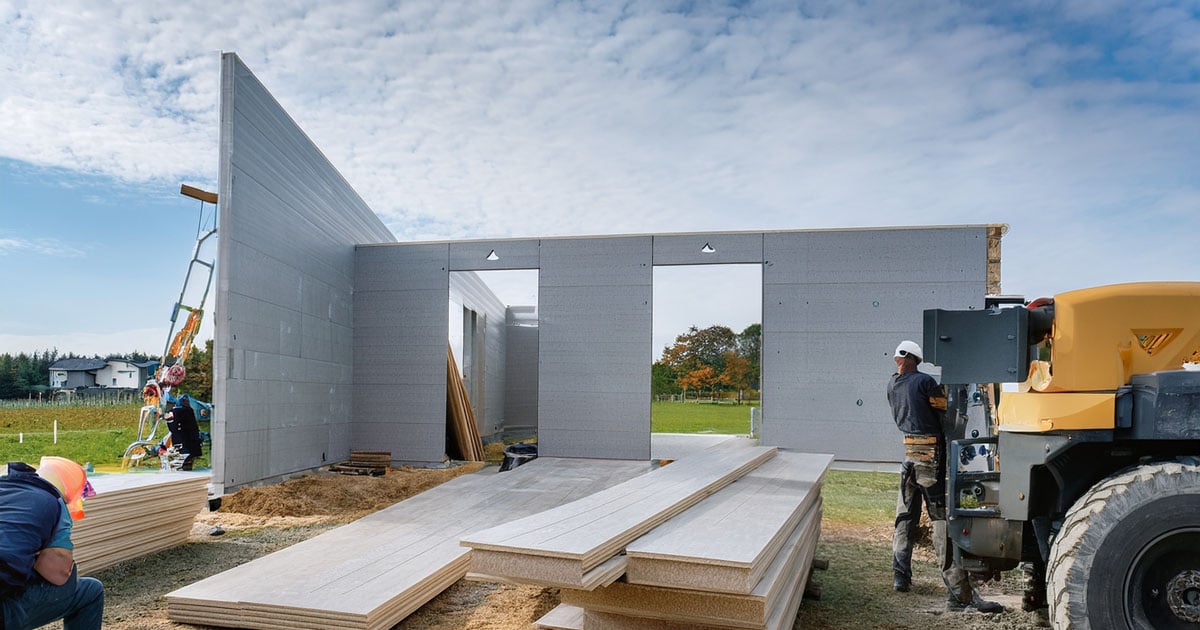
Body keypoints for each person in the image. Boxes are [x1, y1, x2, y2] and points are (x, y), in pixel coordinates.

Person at [887, 340, 1003, 613]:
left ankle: (900, 577)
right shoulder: (925, 383)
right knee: (941, 522)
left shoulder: (892, 384)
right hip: (930, 460)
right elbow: (948, 413)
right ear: (915, 359)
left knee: (905, 518)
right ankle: (958, 595)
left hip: (909, 459)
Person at [0, 456, 104, 630]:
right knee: (90, 591)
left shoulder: (4, 488)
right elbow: (58, 574)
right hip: (4, 610)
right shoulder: (54, 501)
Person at [166, 394, 203, 470]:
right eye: (185, 401)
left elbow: (171, 425)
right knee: (187, 455)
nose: (187, 402)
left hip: (183, 439)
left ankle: (183, 466)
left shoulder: (175, 411)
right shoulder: (187, 411)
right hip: (188, 439)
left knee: (185, 455)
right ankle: (184, 466)